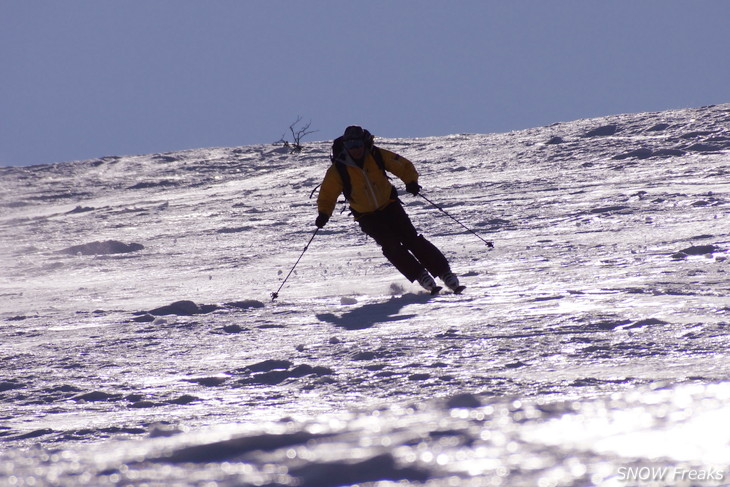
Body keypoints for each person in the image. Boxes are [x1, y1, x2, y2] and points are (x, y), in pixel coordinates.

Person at [315, 125, 462, 294]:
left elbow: (402, 165)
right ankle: (421, 276)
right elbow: (328, 192)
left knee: (412, 239)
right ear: (345, 146)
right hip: (366, 215)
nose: (355, 149)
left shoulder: (376, 154)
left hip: (389, 205)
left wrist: (411, 181)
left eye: (357, 144)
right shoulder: (339, 168)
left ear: (364, 143)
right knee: (391, 246)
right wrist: (324, 213)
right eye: (350, 145)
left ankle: (445, 274)